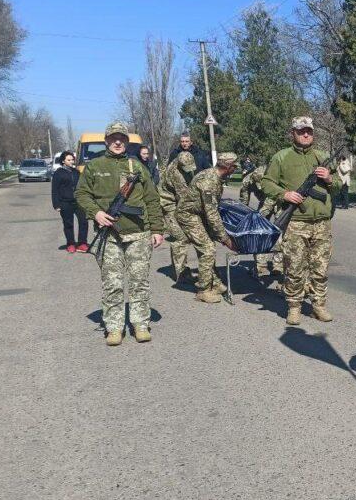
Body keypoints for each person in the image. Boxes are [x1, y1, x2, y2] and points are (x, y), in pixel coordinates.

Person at [74, 122, 164, 346]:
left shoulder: (137, 166)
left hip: (139, 234)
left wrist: (157, 229)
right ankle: (114, 328)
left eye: (122, 139)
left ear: (127, 142)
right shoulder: (95, 166)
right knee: (112, 283)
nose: (117, 142)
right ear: (106, 140)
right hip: (110, 236)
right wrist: (96, 213)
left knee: (139, 282)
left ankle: (140, 324)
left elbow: (152, 199)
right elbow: (81, 194)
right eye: (113, 138)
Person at [261, 116, 338, 325]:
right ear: (292, 133)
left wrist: (330, 179)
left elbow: (339, 185)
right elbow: (266, 183)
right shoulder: (281, 157)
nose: (306, 134)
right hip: (295, 222)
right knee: (294, 267)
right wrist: (285, 194)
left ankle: (318, 306)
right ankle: (294, 306)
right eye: (301, 130)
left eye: (309, 131)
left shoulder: (322, 156)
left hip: (321, 223)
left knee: (320, 268)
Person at [177, 152, 239, 303]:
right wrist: (225, 239)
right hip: (189, 215)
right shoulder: (209, 182)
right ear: (228, 167)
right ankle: (203, 290)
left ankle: (216, 283)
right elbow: (212, 214)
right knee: (208, 249)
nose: (236, 169)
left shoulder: (215, 176)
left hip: (199, 214)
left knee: (208, 246)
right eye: (235, 166)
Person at [158, 152, 197, 282]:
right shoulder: (176, 174)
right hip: (169, 206)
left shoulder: (180, 163)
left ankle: (179, 267)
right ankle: (181, 273)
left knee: (181, 237)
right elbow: (184, 198)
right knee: (181, 238)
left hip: (175, 203)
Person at [51, 150, 88, 253]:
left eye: (72, 159)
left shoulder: (76, 172)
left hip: (78, 201)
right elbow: (55, 190)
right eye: (69, 160)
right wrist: (56, 204)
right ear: (63, 161)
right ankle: (71, 244)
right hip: (65, 202)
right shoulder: (58, 173)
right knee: (68, 224)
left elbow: (82, 186)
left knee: (83, 221)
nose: (72, 161)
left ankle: (82, 243)